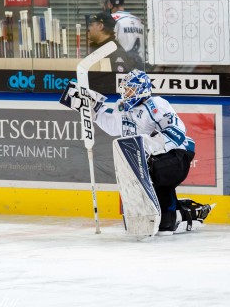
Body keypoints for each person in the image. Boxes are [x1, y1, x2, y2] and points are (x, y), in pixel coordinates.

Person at [64, 69, 213, 234]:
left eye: (130, 89)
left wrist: (147, 144)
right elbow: (113, 126)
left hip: (179, 154)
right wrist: (94, 110)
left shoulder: (155, 104)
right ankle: (174, 215)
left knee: (152, 171)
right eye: (125, 89)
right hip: (152, 158)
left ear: (142, 89)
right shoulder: (122, 106)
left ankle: (174, 216)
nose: (126, 93)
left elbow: (178, 133)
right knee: (142, 179)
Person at [99, 0, 145, 69]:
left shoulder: (110, 20)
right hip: (140, 69)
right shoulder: (139, 21)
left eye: (103, 2)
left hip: (120, 69)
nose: (102, 6)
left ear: (109, 3)